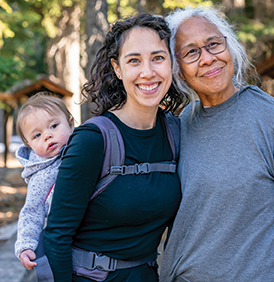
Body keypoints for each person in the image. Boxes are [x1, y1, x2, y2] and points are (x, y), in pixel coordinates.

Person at [160, 6, 274, 282]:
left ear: (229, 46)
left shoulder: (273, 117)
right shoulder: (182, 123)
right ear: (178, 70)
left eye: (213, 44)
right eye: (191, 52)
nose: (208, 59)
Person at [44, 13, 187, 282]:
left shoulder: (177, 133)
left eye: (158, 58)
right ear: (117, 68)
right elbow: (56, 236)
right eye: (134, 60)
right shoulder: (93, 140)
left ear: (171, 64)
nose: (147, 72)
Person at [14, 92, 74, 270]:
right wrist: (25, 246)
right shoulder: (41, 176)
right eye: (37, 135)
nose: (47, 135)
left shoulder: (85, 149)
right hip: (69, 238)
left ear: (71, 123)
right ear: (28, 144)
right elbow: (32, 212)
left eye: (54, 126)